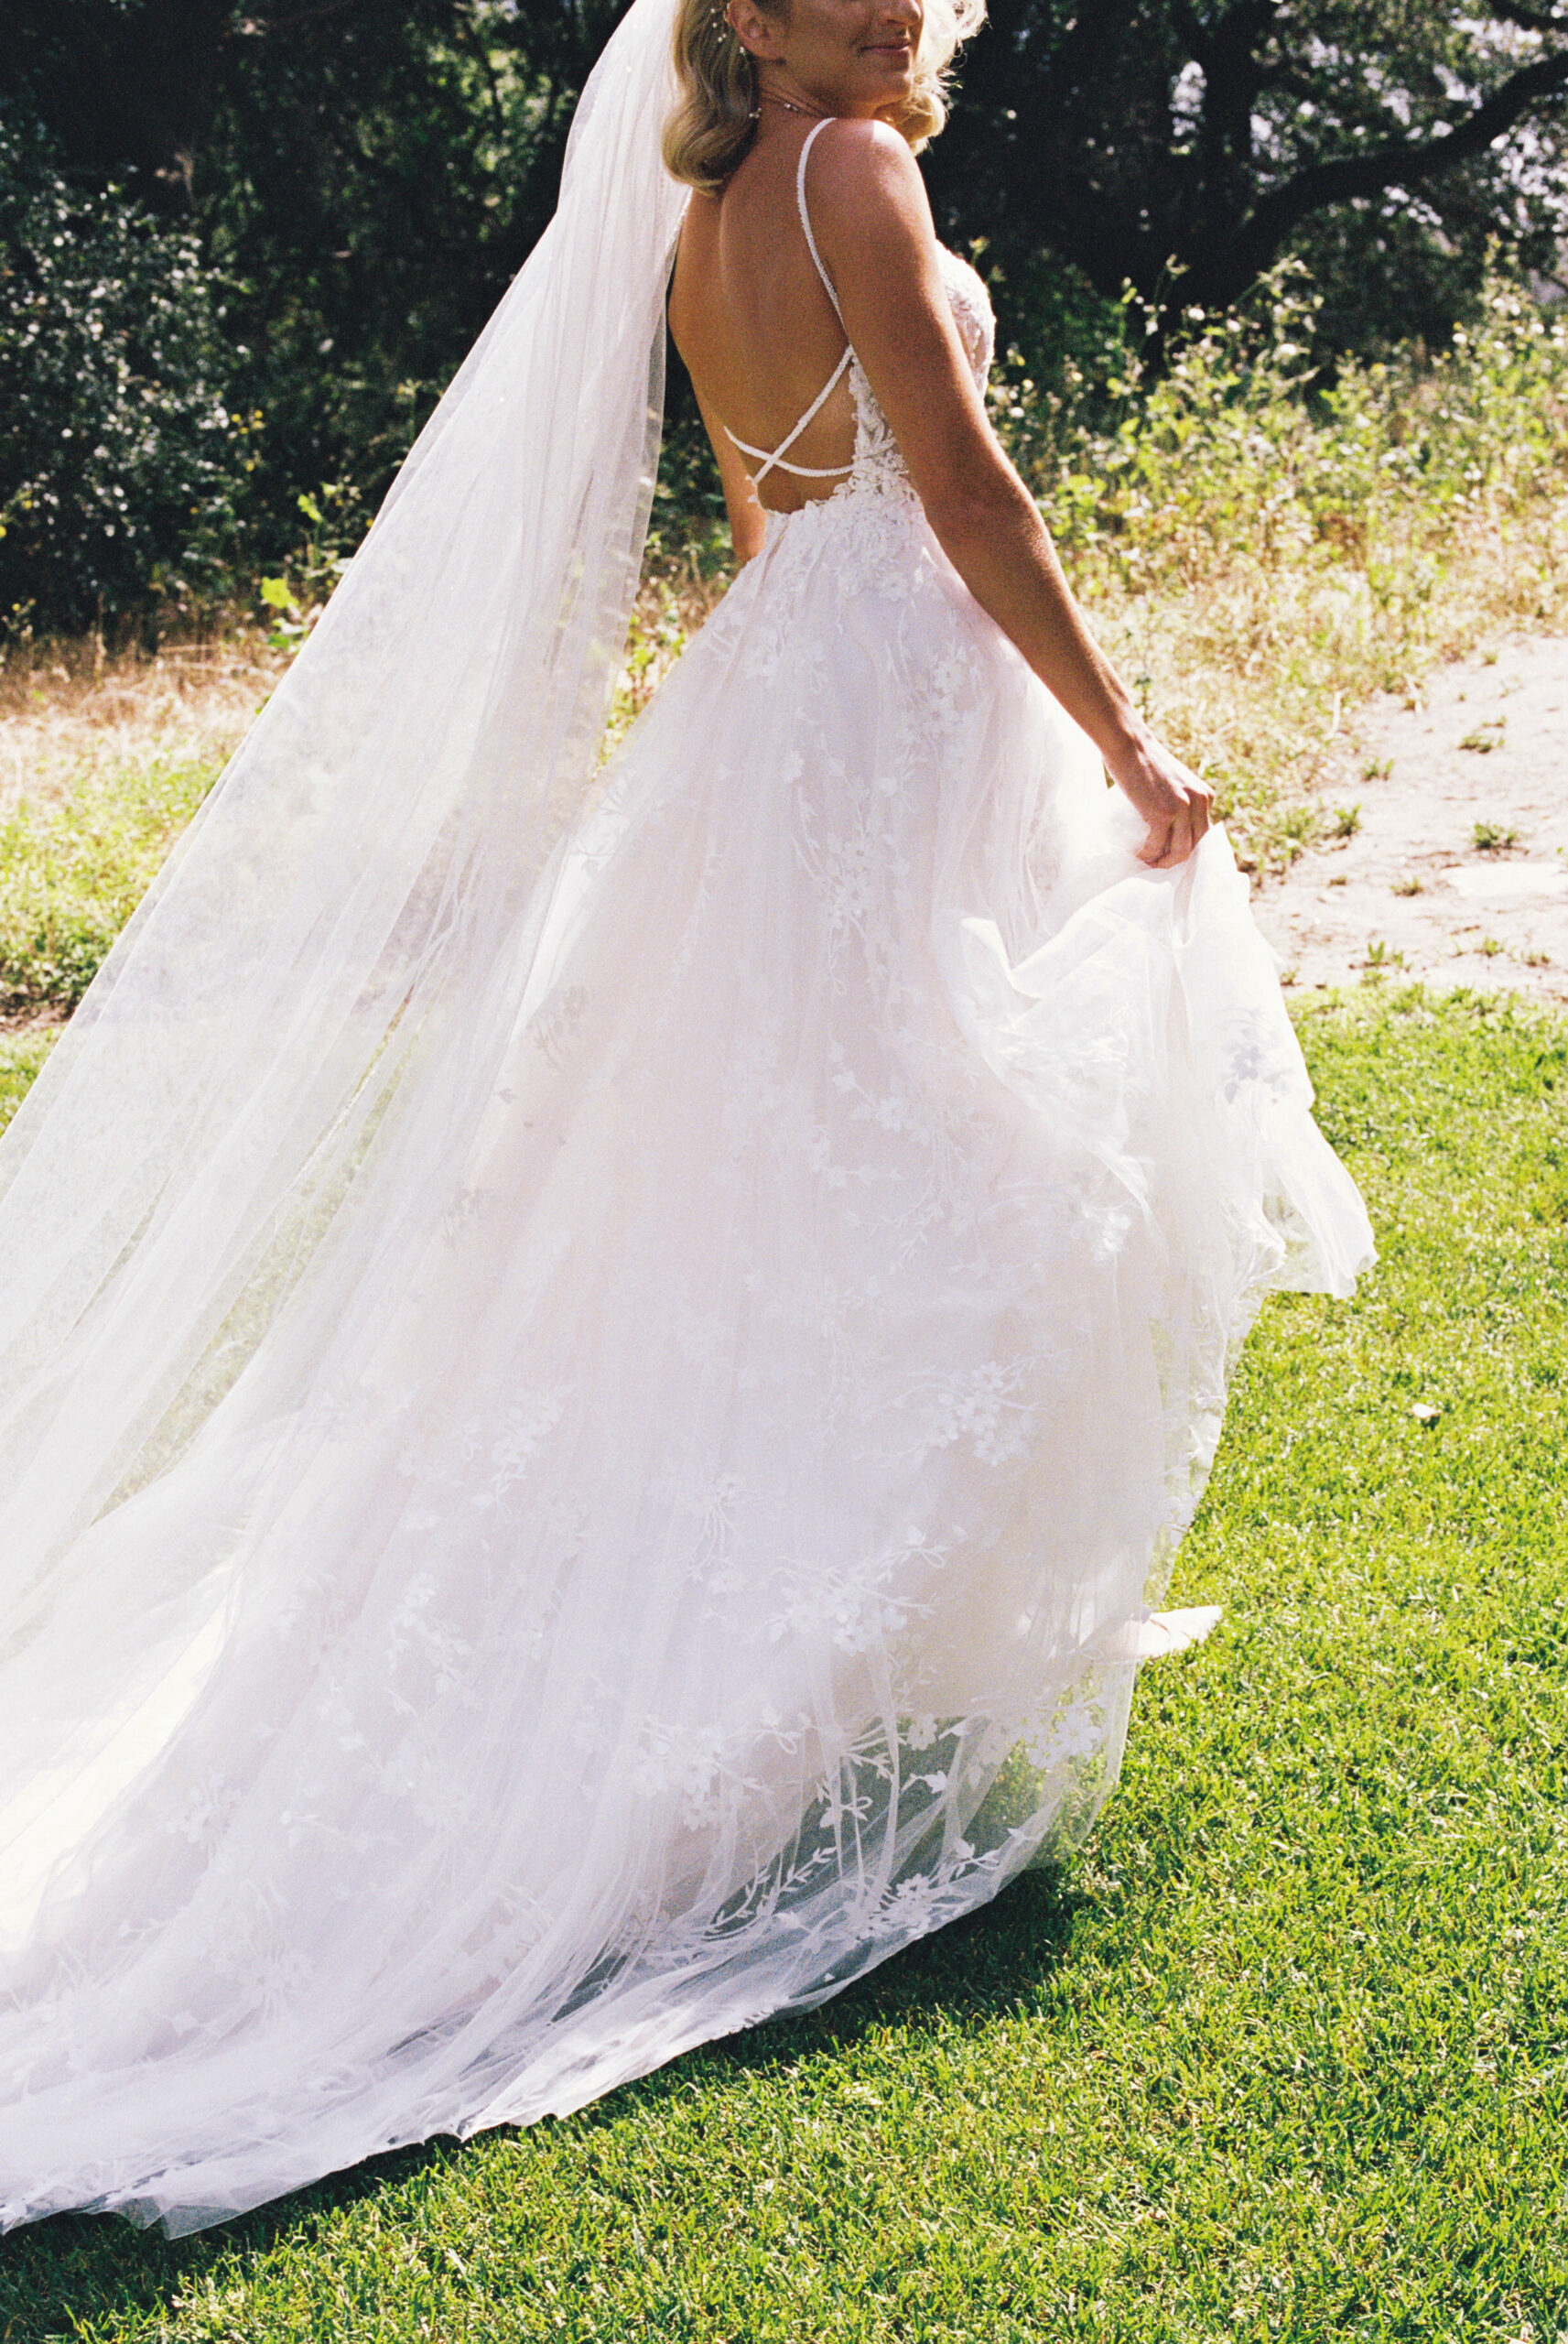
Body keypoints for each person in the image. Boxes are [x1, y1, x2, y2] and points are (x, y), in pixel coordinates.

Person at [0, 0, 1371, 2236]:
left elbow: (763, 521)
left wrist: (819, 718)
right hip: (892, 687)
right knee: (958, 1149)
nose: (873, 8)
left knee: (786, 1181)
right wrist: (1123, 746)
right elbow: (958, 483)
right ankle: (809, 1627)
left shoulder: (705, 212)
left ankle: (832, 1620)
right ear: (735, 13)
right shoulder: (848, 171)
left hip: (781, 704)